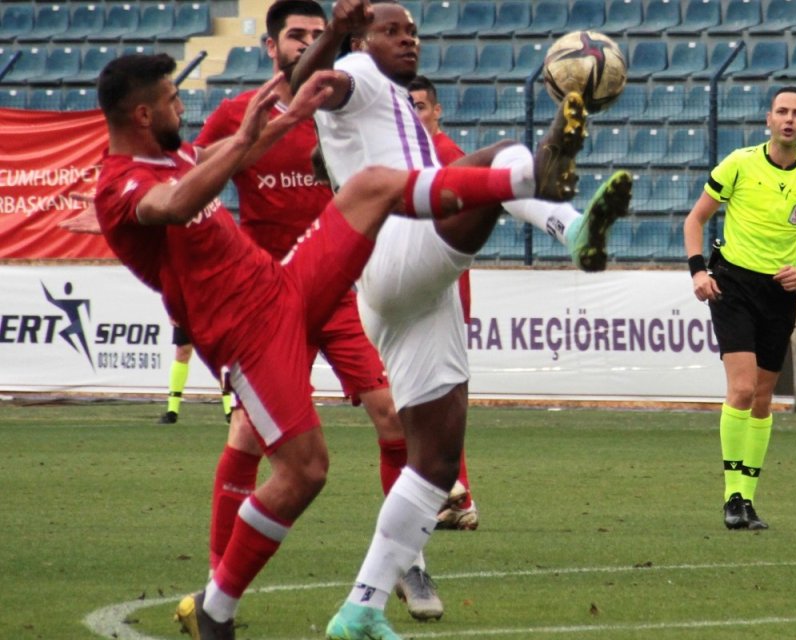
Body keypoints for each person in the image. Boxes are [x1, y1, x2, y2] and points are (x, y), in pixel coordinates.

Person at [94, 50, 573, 639]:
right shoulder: (122, 186)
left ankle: (524, 180)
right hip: (246, 335)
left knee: (369, 185)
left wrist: (287, 119)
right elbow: (176, 202)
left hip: (281, 284)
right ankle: (217, 605)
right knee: (306, 470)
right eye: (172, 99)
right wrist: (248, 136)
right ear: (142, 114)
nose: (182, 106)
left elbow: (211, 161)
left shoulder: (170, 156)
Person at [290, 1, 629, 635]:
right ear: (364, 37)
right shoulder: (355, 75)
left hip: (407, 295)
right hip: (393, 247)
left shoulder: (403, 115)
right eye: (393, 30)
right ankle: (570, 220)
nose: (408, 40)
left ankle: (359, 609)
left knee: (436, 463)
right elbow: (305, 86)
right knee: (500, 157)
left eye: (413, 31)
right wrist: (335, 35)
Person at [172, 1, 417, 626]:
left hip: (333, 290)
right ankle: (217, 581)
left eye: (318, 33)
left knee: (393, 418)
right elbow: (194, 176)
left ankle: (405, 563)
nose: (310, 42)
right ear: (271, 47)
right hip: (265, 297)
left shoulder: (341, 103)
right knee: (248, 438)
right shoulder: (240, 114)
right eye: (298, 36)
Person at [682, 86, 796, 531]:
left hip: (779, 292)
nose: (789, 119)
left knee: (764, 399)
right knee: (744, 388)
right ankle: (731, 496)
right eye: (782, 111)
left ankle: (747, 502)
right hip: (732, 285)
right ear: (768, 119)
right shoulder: (739, 163)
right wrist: (698, 271)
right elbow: (695, 220)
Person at [408, 74, 478, 532]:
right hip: (416, 287)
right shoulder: (407, 154)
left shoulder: (448, 156)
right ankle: (455, 494)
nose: (413, 114)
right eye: (407, 106)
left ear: (437, 112)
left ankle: (454, 492)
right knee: (425, 397)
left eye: (420, 106)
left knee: (426, 396)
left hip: (442, 289)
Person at [158, 322, 234, 424]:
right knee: (182, 351)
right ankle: (172, 411)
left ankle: (230, 411)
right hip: (187, 311)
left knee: (220, 354)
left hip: (211, 311)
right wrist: (173, 312)